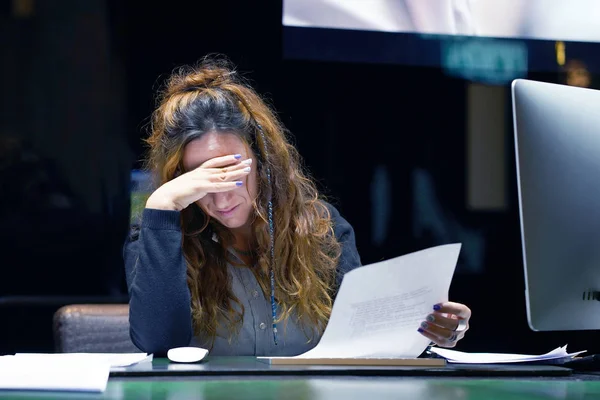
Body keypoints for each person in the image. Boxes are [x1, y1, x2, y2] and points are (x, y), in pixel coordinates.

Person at [123, 55, 472, 356]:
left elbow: (367, 338)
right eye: (202, 182)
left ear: (261, 162)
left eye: (233, 172)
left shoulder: (321, 230)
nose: (223, 197)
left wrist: (430, 331)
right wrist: (163, 201)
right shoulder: (157, 236)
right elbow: (159, 342)